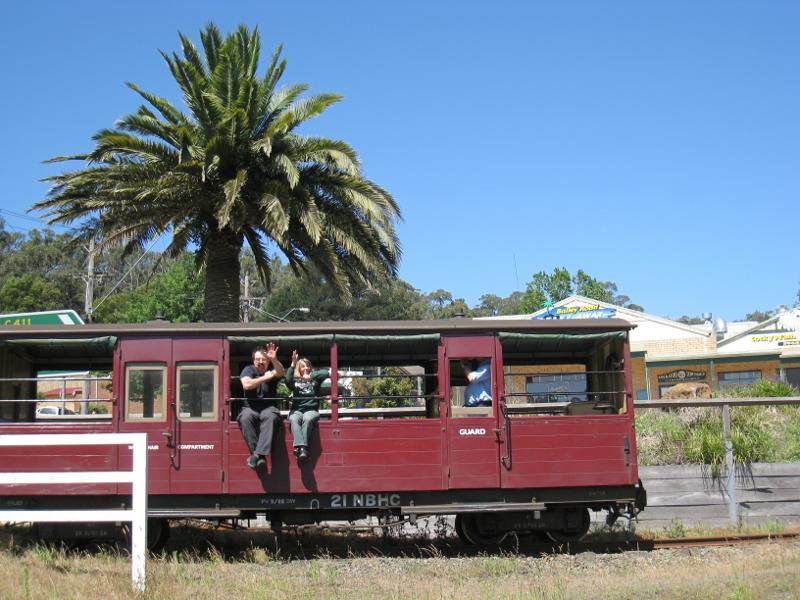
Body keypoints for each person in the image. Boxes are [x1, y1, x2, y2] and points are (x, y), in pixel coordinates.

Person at [239, 343, 286, 469]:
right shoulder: (248, 370)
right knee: (244, 417)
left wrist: (274, 359)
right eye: (258, 359)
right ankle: (260, 456)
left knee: (270, 416)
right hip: (250, 408)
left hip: (268, 408)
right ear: (253, 360)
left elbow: (281, 372)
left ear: (267, 361)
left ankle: (256, 455)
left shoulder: (272, 370)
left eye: (263, 360)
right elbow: (247, 385)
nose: (260, 362)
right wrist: (265, 378)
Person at [284, 350, 329, 462]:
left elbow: (326, 372)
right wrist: (292, 364)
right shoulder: (295, 380)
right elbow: (287, 381)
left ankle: (301, 448)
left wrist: (311, 376)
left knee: (307, 419)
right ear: (299, 369)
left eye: (307, 366)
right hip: (297, 410)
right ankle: (302, 448)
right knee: (294, 418)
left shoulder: (316, 379)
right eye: (302, 367)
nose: (306, 368)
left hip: (311, 410)